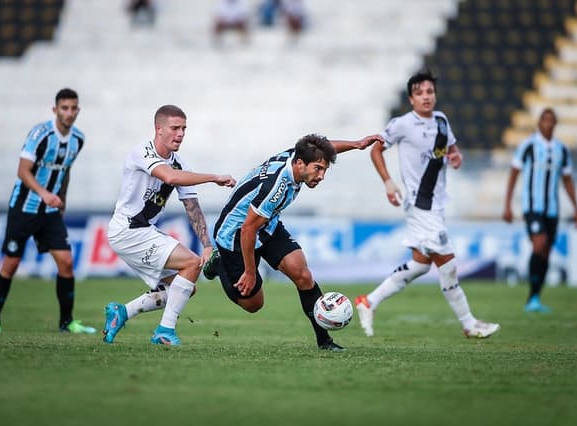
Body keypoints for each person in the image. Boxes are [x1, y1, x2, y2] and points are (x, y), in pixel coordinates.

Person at [354, 70, 500, 339]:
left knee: (420, 264)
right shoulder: (402, 124)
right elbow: (376, 148)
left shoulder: (442, 121)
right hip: (420, 205)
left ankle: (369, 302)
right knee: (449, 265)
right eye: (419, 93)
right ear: (411, 98)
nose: (426, 97)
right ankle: (469, 324)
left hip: (437, 203)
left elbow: (451, 151)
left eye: (429, 92)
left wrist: (456, 158)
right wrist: (388, 181)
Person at [202, 133, 382, 351]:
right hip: (235, 237)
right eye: (318, 169)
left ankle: (324, 342)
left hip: (266, 224)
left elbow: (324, 148)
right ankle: (219, 264)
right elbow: (247, 230)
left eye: (324, 169)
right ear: (300, 164)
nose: (322, 176)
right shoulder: (275, 188)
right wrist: (250, 272)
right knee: (253, 304)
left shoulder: (298, 156)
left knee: (302, 274)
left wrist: (356, 144)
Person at [102, 105, 236, 346]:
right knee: (191, 263)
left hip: (143, 231)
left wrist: (207, 244)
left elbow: (192, 207)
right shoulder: (142, 152)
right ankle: (164, 331)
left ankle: (122, 312)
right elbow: (170, 178)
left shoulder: (179, 163)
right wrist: (214, 177)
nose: (181, 133)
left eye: (184, 128)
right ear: (159, 129)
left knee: (185, 288)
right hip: (128, 231)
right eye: (175, 128)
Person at [0, 88, 96, 335]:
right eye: (64, 108)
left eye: (73, 108)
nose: (69, 113)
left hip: (51, 212)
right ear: (55, 110)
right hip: (24, 208)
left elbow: (65, 171)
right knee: (11, 263)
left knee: (66, 262)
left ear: (78, 111)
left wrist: (62, 201)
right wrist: (43, 193)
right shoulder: (41, 134)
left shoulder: (78, 139)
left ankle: (67, 323)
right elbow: (22, 170)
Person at [503, 107, 577, 312]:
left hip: (552, 209)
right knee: (539, 243)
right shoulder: (528, 145)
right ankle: (532, 298)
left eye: (551, 120)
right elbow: (513, 174)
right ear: (539, 123)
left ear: (555, 123)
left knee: (546, 251)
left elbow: (567, 180)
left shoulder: (561, 149)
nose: (547, 123)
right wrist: (508, 205)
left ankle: (535, 297)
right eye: (544, 119)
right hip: (532, 207)